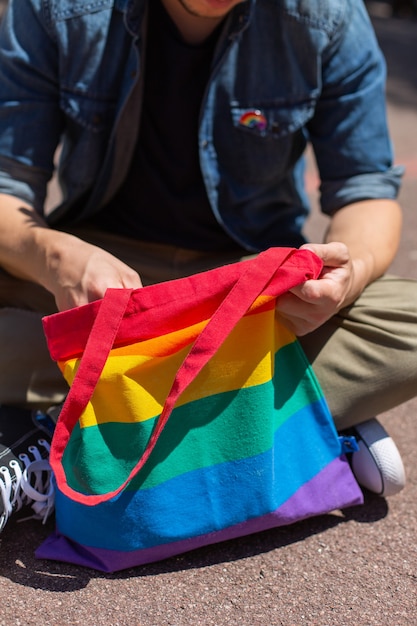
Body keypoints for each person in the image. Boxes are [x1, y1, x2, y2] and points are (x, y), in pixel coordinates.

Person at [0, 0, 415, 531]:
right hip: (98, 284)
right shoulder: (56, 8)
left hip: (245, 292)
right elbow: (9, 184)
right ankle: (281, 427)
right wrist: (57, 257)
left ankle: (69, 439)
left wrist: (344, 276)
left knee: (410, 320)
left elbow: (366, 191)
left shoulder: (326, 13)